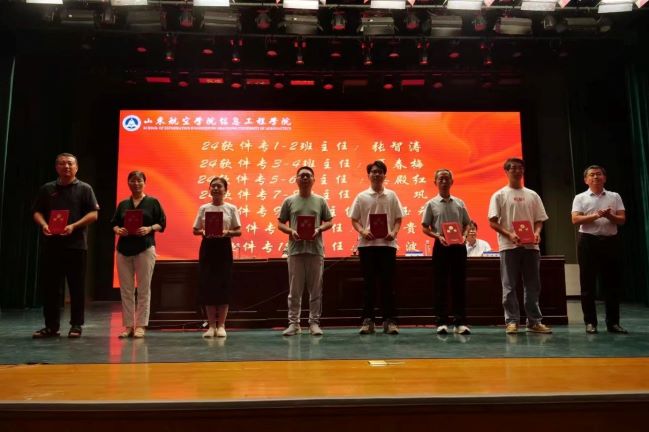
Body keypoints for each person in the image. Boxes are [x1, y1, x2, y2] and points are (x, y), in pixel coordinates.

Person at [32, 153, 99, 338]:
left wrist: (73, 226)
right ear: (56, 167)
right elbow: (37, 211)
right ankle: (51, 327)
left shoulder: (85, 188)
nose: (66, 167)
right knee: (51, 288)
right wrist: (44, 225)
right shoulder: (47, 189)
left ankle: (76, 325)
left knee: (76, 287)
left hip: (76, 246)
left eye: (70, 164)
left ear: (76, 167)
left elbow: (93, 214)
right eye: (62, 164)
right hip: (51, 245)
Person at [488, 158, 552, 335]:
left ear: (523, 171)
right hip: (508, 246)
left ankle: (534, 321)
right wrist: (509, 234)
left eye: (520, 168)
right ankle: (512, 321)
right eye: (513, 168)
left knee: (533, 285)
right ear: (506, 171)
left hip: (531, 247)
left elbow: (539, 220)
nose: (517, 171)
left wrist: (537, 233)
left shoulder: (532, 195)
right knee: (509, 285)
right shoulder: (499, 195)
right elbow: (492, 221)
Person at [571, 165, 627, 334]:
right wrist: (596, 215)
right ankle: (590, 322)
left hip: (610, 242)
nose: (595, 177)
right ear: (586, 180)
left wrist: (609, 216)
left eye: (599, 174)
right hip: (588, 242)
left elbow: (622, 219)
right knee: (587, 284)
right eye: (592, 175)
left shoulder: (614, 196)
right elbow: (575, 219)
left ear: (605, 178)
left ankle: (613, 323)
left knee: (612, 284)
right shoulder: (580, 197)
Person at [277, 166, 333, 336]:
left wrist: (319, 229)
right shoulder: (289, 201)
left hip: (315, 250)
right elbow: (280, 224)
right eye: (302, 176)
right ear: (296, 179)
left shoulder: (320, 201)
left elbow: (329, 222)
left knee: (315, 290)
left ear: (314, 180)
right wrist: (291, 231)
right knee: (294, 291)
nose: (305, 178)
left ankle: (314, 323)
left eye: (308, 176)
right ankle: (294, 323)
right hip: (295, 250)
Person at [111, 171, 166, 339]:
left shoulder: (153, 202)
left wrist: (149, 228)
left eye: (139, 181)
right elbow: (114, 224)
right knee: (126, 290)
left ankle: (141, 325)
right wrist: (118, 230)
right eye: (133, 181)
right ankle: (128, 326)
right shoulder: (123, 204)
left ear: (144, 183)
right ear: (128, 183)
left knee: (143, 288)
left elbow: (162, 223)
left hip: (145, 248)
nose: (136, 184)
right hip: (123, 249)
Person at [350, 160, 403, 335]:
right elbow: (354, 219)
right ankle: (368, 321)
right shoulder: (361, 196)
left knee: (388, 285)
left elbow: (398, 218)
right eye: (373, 171)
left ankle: (390, 321)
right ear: (369, 175)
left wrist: (394, 232)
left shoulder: (392, 195)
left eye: (380, 171)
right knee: (369, 285)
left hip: (387, 246)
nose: (376, 174)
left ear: (384, 175)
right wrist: (362, 231)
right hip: (367, 247)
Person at [421, 169, 471, 335]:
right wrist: (438, 236)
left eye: (446, 179)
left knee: (459, 284)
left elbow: (467, 223)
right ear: (435, 182)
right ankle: (441, 322)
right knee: (440, 284)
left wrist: (464, 236)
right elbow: (424, 227)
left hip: (459, 247)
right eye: (440, 179)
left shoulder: (459, 203)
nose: (444, 182)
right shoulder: (431, 204)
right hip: (441, 246)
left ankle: (459, 322)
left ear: (452, 182)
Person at [193, 177, 241, 338]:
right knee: (208, 285)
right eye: (213, 186)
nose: (215, 189)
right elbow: (195, 230)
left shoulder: (231, 208)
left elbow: (238, 231)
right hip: (207, 248)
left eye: (219, 186)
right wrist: (203, 232)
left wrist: (226, 232)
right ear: (209, 189)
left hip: (223, 248)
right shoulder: (204, 208)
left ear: (225, 190)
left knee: (223, 285)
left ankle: (221, 325)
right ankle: (211, 326)